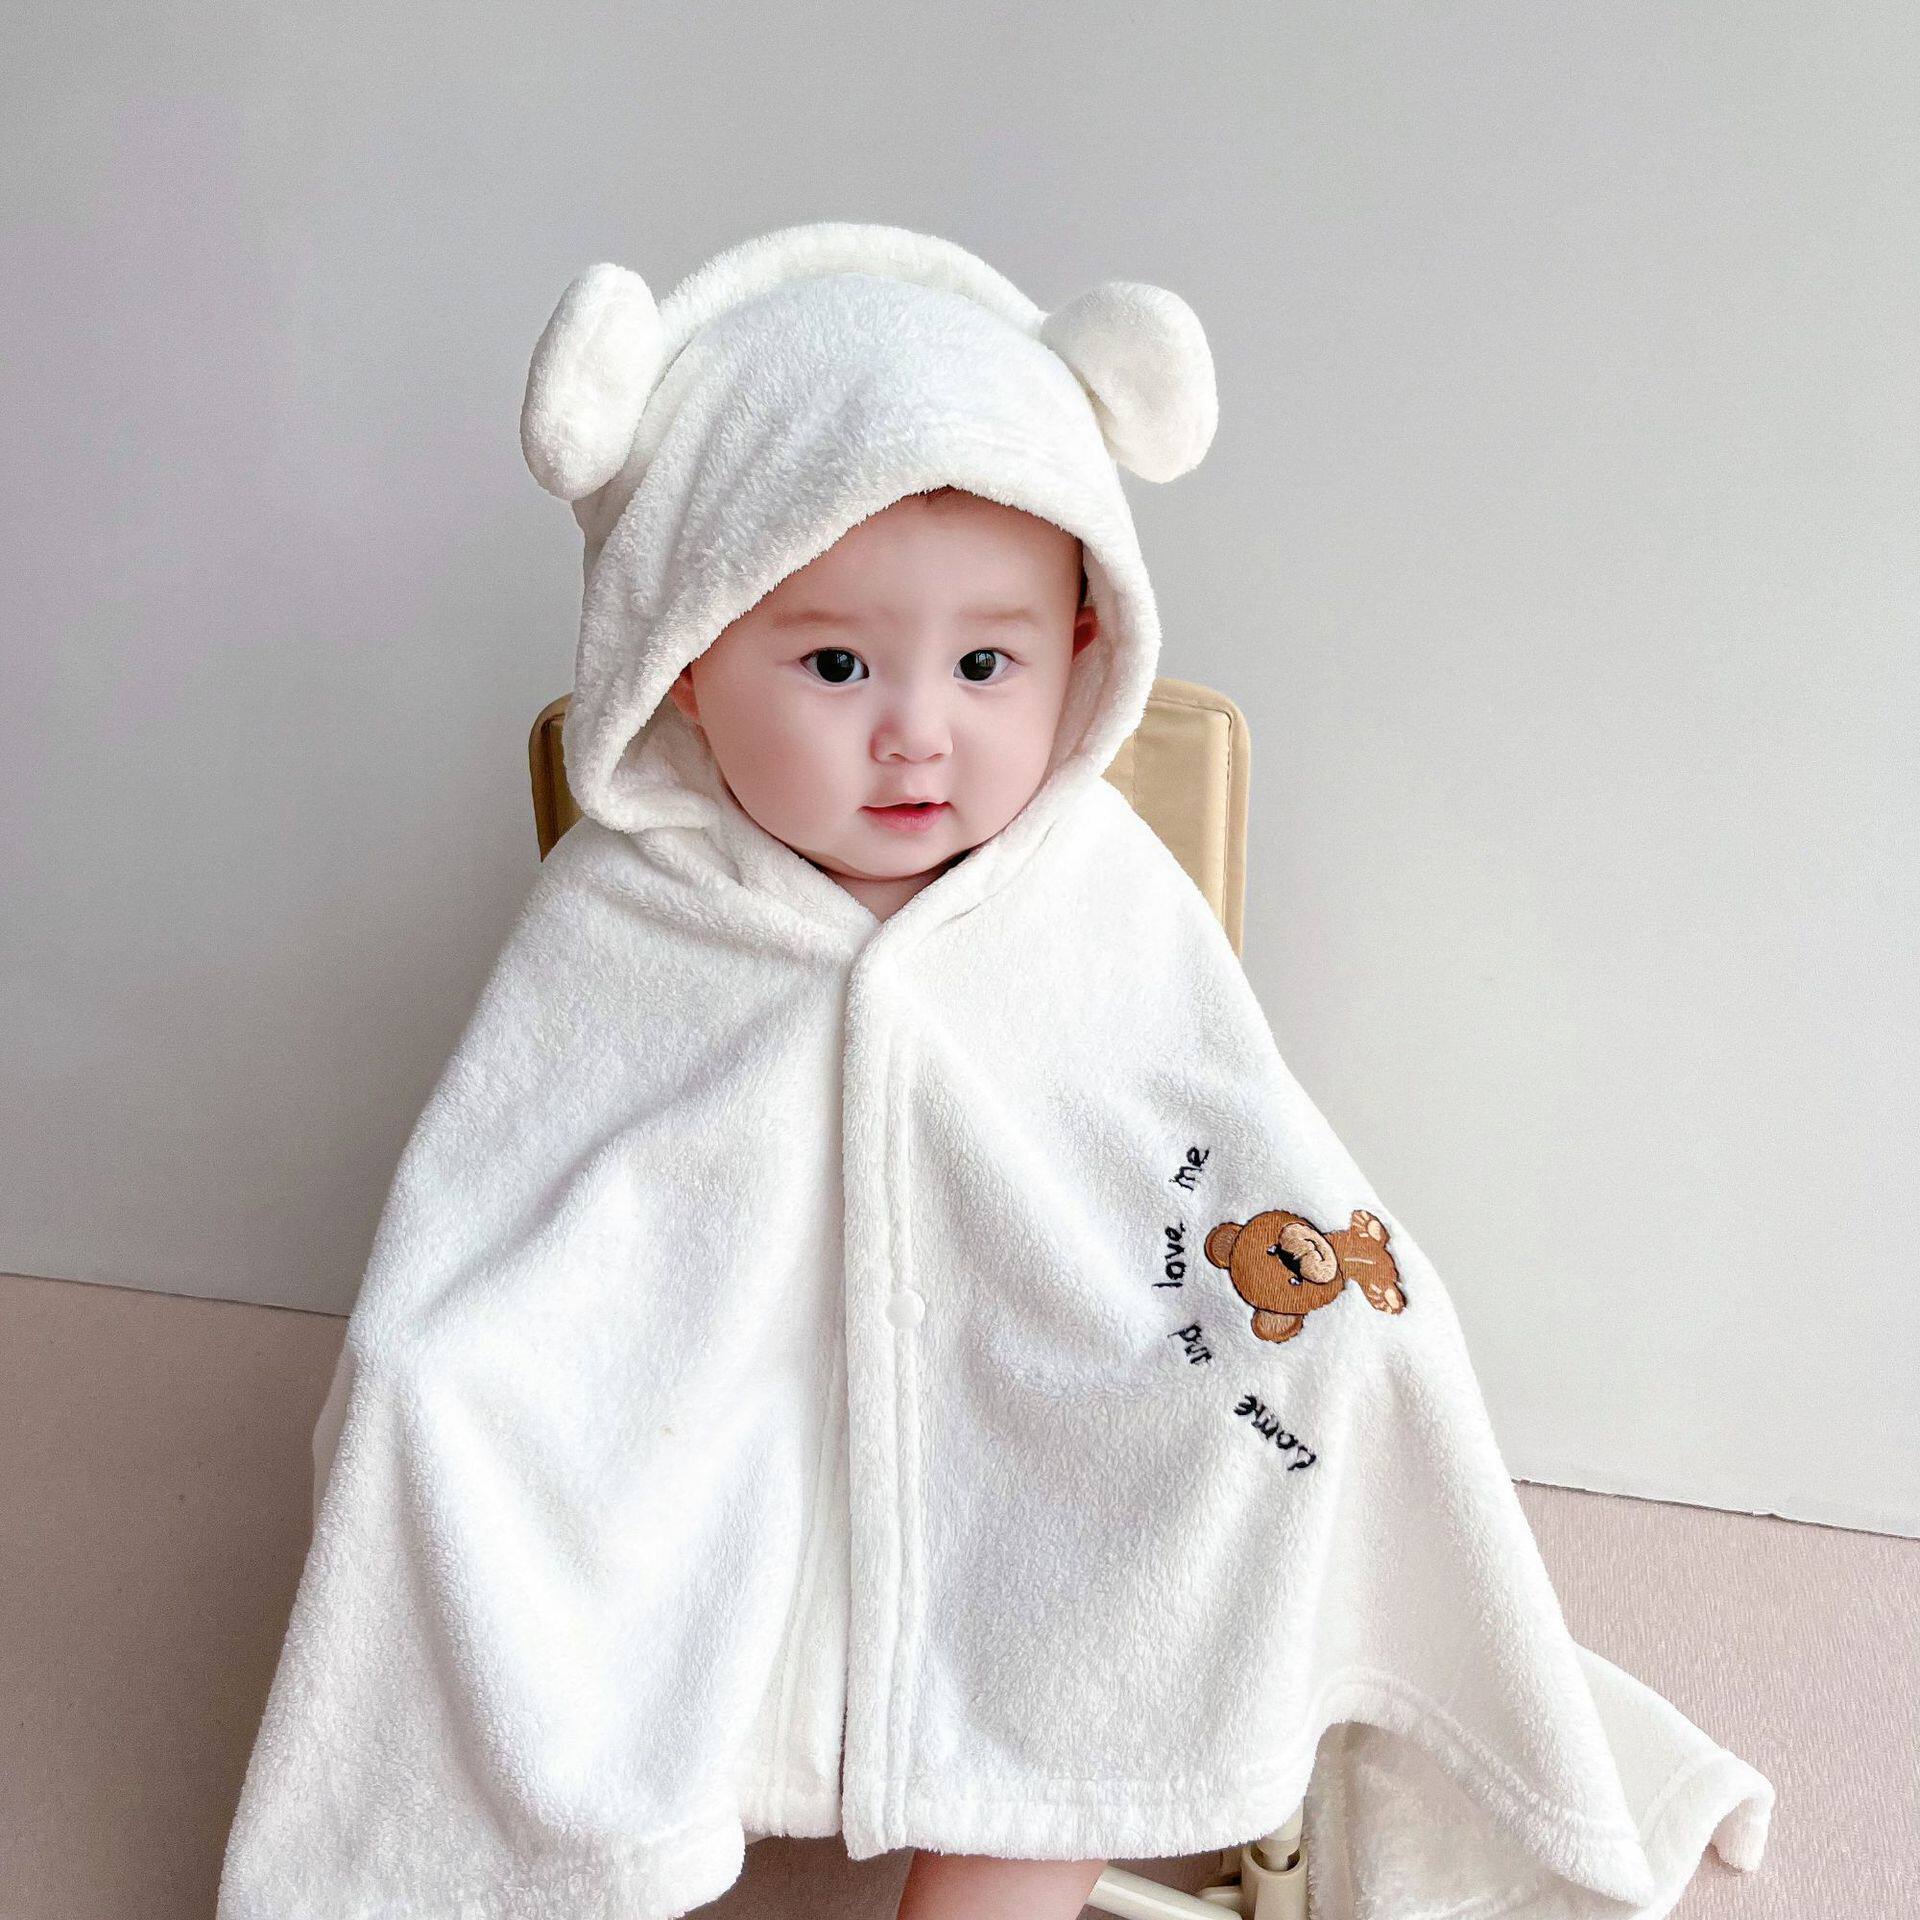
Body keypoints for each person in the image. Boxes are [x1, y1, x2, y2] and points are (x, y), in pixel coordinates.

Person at [667, 482, 1111, 1917]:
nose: (917, 734)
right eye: (837, 664)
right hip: (725, 1378)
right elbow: (536, 1176)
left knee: (1109, 1562)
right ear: (690, 657)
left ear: (1079, 650)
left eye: (984, 665)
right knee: (458, 1419)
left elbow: (1195, 1138)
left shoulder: (1084, 890)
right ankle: (587, 1838)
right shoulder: (656, 899)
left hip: (1031, 1366)